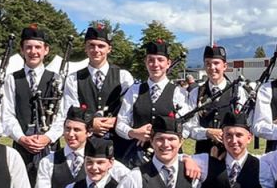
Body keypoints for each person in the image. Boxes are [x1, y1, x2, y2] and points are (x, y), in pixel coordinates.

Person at [0, 23, 64, 184]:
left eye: (37, 47)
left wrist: (47, 138)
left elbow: (62, 115)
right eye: (28, 47)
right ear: (21, 50)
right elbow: (7, 114)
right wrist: (21, 138)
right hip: (21, 147)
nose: (33, 52)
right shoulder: (11, 79)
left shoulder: (57, 79)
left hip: (50, 147)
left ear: (46, 50)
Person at [61, 22, 134, 160]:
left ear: (109, 49)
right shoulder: (73, 78)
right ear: (85, 48)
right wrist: (90, 122)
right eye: (91, 45)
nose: (96, 50)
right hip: (86, 145)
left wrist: (116, 121)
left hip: (118, 144)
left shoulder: (124, 76)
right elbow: (70, 109)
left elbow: (130, 109)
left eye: (101, 46)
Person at [116, 39, 191, 167]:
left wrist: (161, 138)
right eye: (151, 60)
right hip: (138, 157)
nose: (155, 64)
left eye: (160, 60)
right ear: (146, 62)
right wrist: (134, 133)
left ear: (168, 63)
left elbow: (186, 126)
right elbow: (120, 123)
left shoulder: (179, 93)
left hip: (169, 156)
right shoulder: (134, 90)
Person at [190, 109, 265, 188]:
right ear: (222, 137)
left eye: (239, 135)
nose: (234, 141)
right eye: (228, 135)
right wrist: (186, 159)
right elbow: (173, 158)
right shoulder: (205, 162)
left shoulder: (262, 163)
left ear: (249, 138)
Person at [186, 44, 246, 157]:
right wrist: (207, 133)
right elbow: (189, 127)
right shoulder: (196, 93)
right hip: (202, 155)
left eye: (216, 63)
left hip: (231, 154)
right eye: (208, 63)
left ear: (225, 66)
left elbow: (245, 124)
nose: (212, 67)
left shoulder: (237, 92)